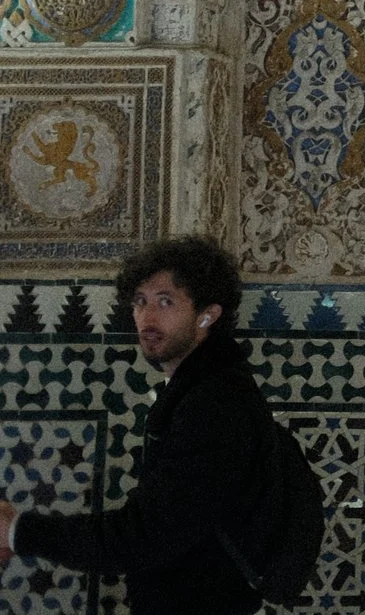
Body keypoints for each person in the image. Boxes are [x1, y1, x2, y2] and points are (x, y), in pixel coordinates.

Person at [0, 236, 289, 614]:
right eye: (140, 302)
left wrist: (18, 531)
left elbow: (144, 536)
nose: (147, 318)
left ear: (207, 315)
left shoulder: (214, 404)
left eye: (165, 302)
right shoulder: (200, 388)